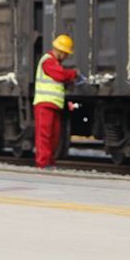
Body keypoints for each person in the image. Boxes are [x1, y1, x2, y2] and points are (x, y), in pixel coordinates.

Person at [34, 34, 78, 169]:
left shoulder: (54, 63)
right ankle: (43, 163)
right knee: (44, 136)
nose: (65, 57)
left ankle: (49, 162)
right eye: (65, 54)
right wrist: (73, 74)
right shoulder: (47, 61)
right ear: (58, 50)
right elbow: (60, 75)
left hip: (54, 105)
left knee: (54, 136)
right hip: (44, 104)